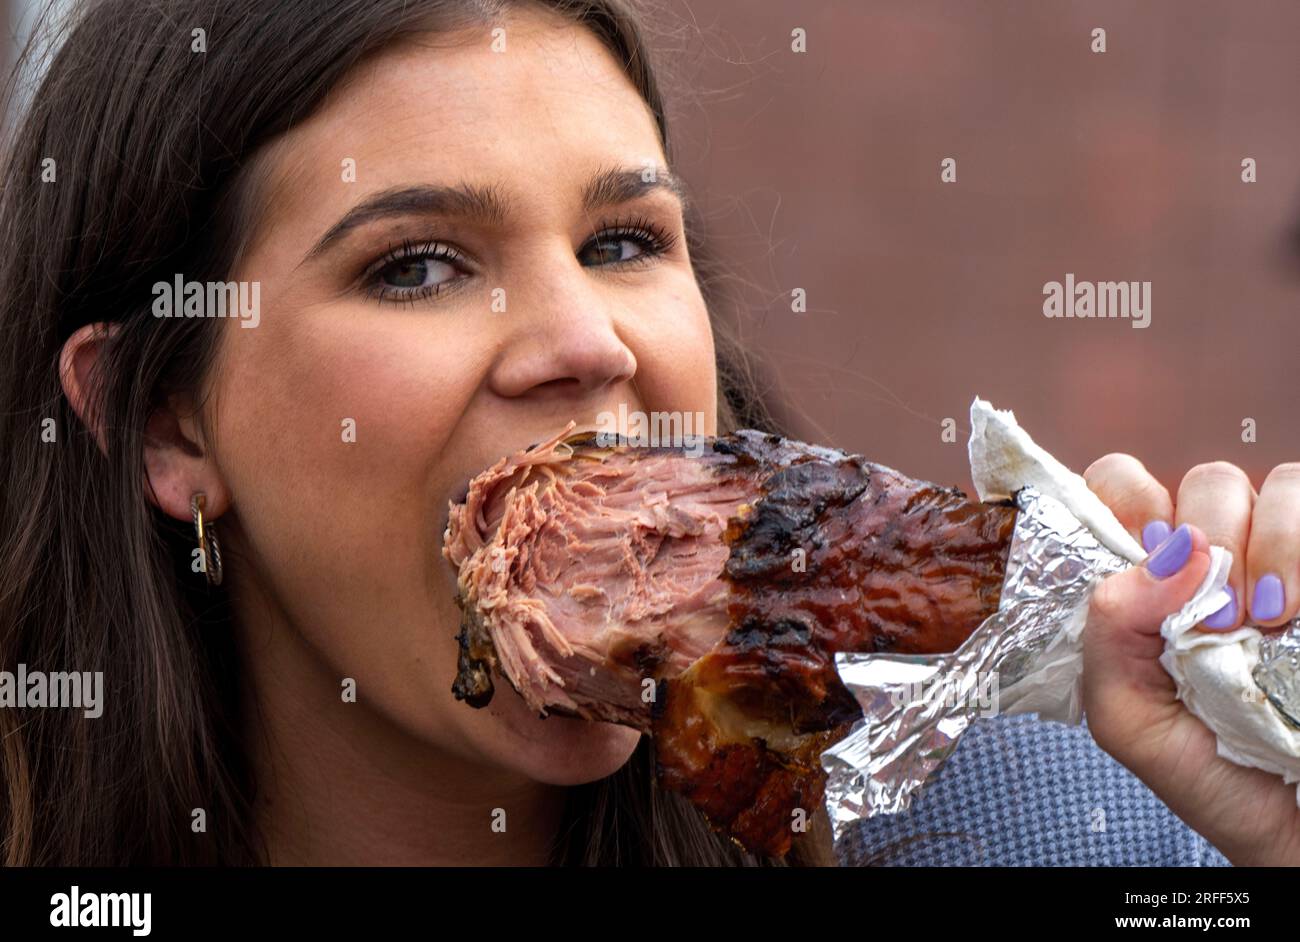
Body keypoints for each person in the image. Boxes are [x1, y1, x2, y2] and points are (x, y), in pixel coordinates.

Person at [1, 0, 1295, 868]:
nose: (589, 341)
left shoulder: (1042, 832)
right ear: (165, 422)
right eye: (417, 267)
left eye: (621, 243)